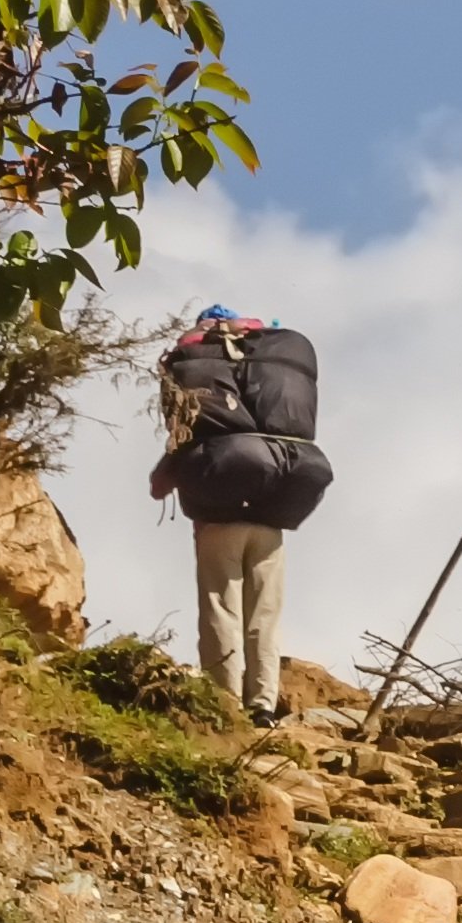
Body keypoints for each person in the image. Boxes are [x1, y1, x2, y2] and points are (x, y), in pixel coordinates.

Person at [147, 306, 335, 721]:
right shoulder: (269, 366)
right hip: (278, 502)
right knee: (265, 614)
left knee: (221, 606)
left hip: (220, 516)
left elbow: (171, 464)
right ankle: (263, 704)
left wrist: (171, 476)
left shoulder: (204, 372)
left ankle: (224, 701)